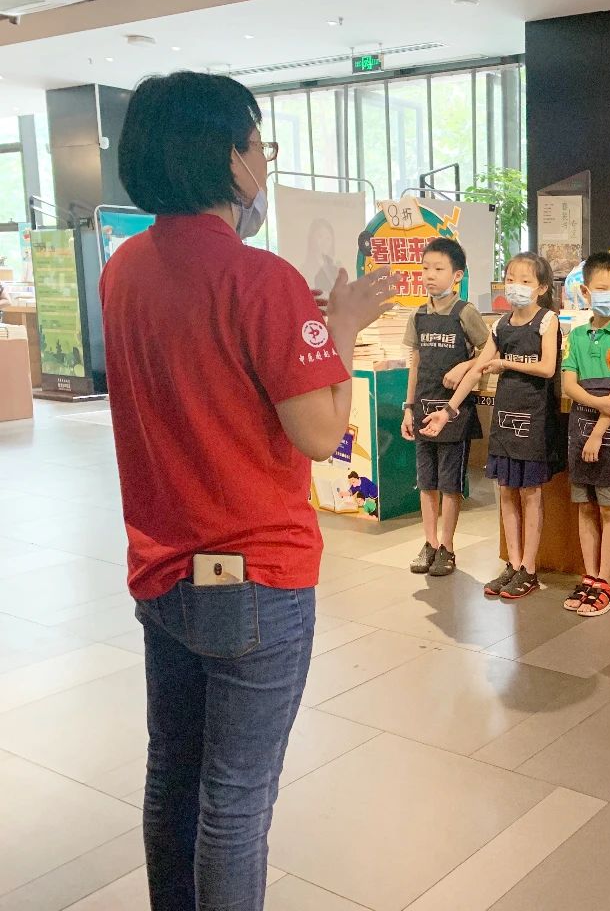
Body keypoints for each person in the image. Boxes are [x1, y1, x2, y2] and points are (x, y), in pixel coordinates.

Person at [103, 70, 392, 910]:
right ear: (228, 157)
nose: (264, 160)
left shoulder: (124, 268)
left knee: (172, 774)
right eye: (260, 143)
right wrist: (341, 325)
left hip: (161, 568)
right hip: (254, 576)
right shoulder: (260, 279)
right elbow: (320, 433)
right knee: (235, 802)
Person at [425, 252, 563, 599]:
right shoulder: (501, 325)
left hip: (534, 419)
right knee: (506, 491)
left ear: (542, 287)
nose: (516, 286)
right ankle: (513, 564)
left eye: (526, 281)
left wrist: (506, 363)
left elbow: (547, 368)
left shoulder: (548, 321)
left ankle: (529, 568)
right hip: (504, 417)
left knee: (530, 493)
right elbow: (477, 369)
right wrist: (448, 411)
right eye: (511, 279)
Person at [400, 238, 489, 577]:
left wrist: (464, 366)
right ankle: (429, 542)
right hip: (423, 409)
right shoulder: (418, 315)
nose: (430, 275)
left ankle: (447, 547)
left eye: (438, 269)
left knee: (451, 485)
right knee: (427, 483)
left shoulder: (465, 312)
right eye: (425, 268)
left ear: (457, 275)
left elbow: (488, 352)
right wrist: (408, 408)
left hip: (455, 413)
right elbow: (415, 363)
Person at [561, 251, 610, 615]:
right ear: (585, 291)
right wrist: (598, 404)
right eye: (602, 288)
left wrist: (598, 432)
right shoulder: (577, 336)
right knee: (584, 507)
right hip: (579, 435)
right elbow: (568, 386)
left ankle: (607, 582)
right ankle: (590, 577)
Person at [303, 218, 340, 294]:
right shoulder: (304, 269)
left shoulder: (336, 265)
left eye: (328, 238)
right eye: (320, 236)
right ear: (311, 239)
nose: (324, 242)